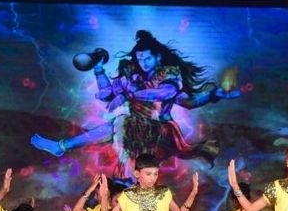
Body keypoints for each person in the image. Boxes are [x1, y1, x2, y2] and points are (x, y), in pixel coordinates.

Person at [31, 30, 238, 177]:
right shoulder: (131, 72)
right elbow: (108, 94)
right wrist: (98, 69)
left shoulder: (168, 72)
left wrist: (214, 94)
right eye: (140, 59)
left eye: (147, 59)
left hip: (159, 129)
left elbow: (169, 93)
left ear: (157, 57)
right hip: (133, 127)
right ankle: (63, 147)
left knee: (120, 123)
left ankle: (65, 148)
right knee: (118, 126)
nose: (143, 63)